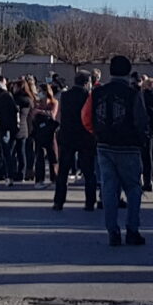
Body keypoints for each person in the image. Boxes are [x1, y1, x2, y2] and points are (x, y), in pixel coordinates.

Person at [92, 55, 149, 246]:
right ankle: (132, 229)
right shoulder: (133, 93)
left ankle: (112, 231)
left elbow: (91, 116)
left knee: (109, 188)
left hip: (104, 145)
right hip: (128, 146)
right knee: (133, 189)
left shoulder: (98, 92)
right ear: (128, 71)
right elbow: (140, 120)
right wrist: (142, 139)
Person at [53, 72, 97, 211]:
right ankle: (90, 202)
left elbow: (60, 115)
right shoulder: (89, 96)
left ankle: (59, 201)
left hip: (67, 135)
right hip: (85, 136)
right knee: (88, 171)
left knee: (63, 171)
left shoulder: (65, 95)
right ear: (87, 82)